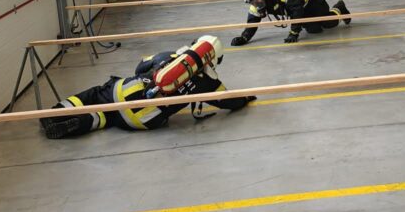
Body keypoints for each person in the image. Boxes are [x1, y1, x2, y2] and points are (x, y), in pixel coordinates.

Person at [39, 35, 253, 139]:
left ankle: (56, 113)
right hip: (143, 121)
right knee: (110, 118)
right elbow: (230, 102)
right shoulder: (211, 84)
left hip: (124, 91)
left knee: (96, 95)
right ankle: (84, 122)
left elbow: (139, 67)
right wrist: (245, 99)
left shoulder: (168, 55)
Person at [231, 0, 351, 46]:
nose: (256, 5)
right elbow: (252, 21)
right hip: (301, 9)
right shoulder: (257, 4)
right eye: (252, 3)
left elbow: (297, 9)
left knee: (328, 23)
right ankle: (308, 24)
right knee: (314, 30)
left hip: (313, 3)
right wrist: (244, 37)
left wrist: (294, 32)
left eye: (256, 1)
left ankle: (340, 8)